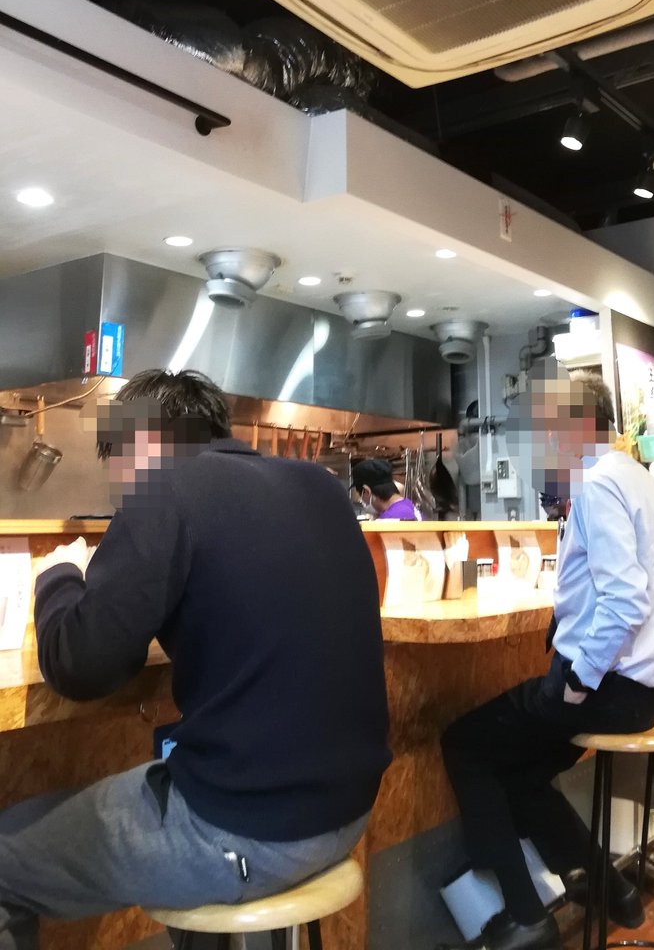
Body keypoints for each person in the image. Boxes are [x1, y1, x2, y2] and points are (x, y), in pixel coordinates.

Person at [0, 369, 390, 949]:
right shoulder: (321, 488)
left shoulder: (164, 490)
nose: (118, 489)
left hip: (250, 831)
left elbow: (80, 664)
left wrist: (57, 575)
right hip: (348, 810)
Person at [440, 365, 654, 950]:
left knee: (466, 745)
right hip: (651, 689)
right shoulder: (642, 480)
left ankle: (526, 916)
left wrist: (579, 678)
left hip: (608, 689)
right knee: (523, 774)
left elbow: (625, 599)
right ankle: (610, 889)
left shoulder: (597, 482)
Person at [352, 457, 419, 520]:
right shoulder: (408, 504)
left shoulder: (390, 519)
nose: (361, 500)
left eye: (360, 495)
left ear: (367, 491)